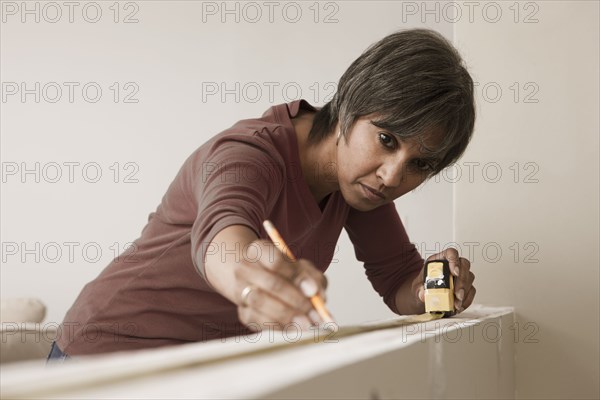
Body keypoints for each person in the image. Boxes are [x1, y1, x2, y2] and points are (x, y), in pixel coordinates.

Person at [49, 28, 476, 360]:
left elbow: (396, 278)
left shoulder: (360, 186)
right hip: (104, 354)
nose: (392, 176)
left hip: (206, 365)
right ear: (350, 103)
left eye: (420, 164)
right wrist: (250, 280)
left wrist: (429, 288)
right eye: (386, 138)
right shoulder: (249, 153)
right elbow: (221, 239)